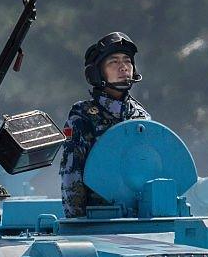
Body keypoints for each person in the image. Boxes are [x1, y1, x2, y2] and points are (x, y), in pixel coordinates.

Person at [60, 32, 151, 217]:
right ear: (97, 72)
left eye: (127, 61)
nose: (123, 67)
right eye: (114, 62)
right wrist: (77, 223)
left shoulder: (141, 116)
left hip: (139, 219)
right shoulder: (82, 116)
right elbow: (72, 174)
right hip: (98, 220)